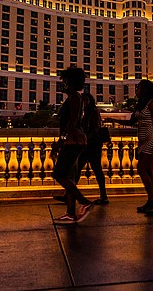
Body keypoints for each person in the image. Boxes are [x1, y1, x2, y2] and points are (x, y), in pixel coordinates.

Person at [107, 79, 153, 215]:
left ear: (145, 90)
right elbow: (132, 121)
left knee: (142, 169)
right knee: (148, 171)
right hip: (142, 139)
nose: (136, 91)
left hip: (151, 138)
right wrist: (114, 120)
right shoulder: (141, 104)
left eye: (138, 88)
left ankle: (152, 201)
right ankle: (150, 202)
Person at [52, 66, 95, 225]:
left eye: (64, 81)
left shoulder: (75, 98)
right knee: (69, 177)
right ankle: (70, 213)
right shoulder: (73, 97)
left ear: (70, 82)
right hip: (73, 140)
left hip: (73, 141)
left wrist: (62, 139)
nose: (62, 84)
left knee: (59, 174)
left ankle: (84, 202)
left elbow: (73, 120)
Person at [54, 93, 109, 205]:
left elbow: (94, 129)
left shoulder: (93, 112)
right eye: (83, 100)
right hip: (86, 145)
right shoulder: (83, 113)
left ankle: (103, 196)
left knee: (96, 170)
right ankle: (69, 195)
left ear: (91, 101)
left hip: (92, 145)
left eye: (86, 100)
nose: (84, 102)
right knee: (77, 170)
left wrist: (84, 139)